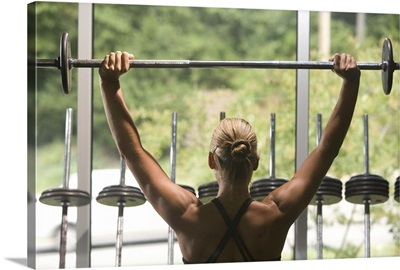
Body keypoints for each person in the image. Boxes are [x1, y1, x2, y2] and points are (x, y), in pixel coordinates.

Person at [99, 51, 360, 263]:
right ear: (255, 162)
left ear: (212, 160)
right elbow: (327, 149)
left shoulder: (187, 218)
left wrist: (109, 83)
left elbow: (132, 152)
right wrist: (351, 82)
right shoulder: (276, 215)